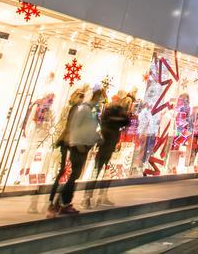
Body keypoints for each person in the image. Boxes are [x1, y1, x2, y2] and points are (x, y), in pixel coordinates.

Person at [51, 86, 104, 215]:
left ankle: (62, 201)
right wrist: (76, 143)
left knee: (75, 174)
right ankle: (61, 201)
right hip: (78, 146)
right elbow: (74, 127)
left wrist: (97, 138)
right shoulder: (84, 109)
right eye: (99, 97)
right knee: (73, 174)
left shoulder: (90, 111)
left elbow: (89, 128)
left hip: (83, 145)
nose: (100, 100)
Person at [86, 91, 133, 208]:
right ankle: (88, 196)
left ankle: (101, 196)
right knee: (97, 171)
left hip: (111, 144)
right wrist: (118, 119)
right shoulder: (109, 112)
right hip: (105, 143)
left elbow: (127, 122)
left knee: (106, 172)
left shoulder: (116, 112)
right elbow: (120, 122)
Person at [45, 86, 88, 216]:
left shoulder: (77, 109)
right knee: (66, 173)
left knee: (69, 173)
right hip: (70, 144)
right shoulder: (78, 109)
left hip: (72, 144)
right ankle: (55, 204)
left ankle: (61, 203)